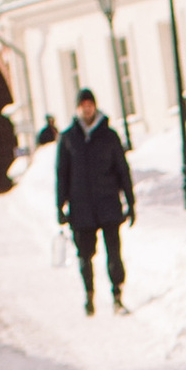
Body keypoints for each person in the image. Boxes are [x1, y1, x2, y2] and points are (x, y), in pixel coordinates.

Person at [55, 88, 132, 315]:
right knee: (85, 256)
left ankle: (117, 296)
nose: (87, 109)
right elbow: (62, 174)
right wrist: (60, 206)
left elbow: (122, 170)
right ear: (77, 109)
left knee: (114, 253)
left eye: (90, 105)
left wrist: (130, 201)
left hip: (108, 203)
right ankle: (89, 296)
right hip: (81, 207)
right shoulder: (68, 138)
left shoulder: (109, 136)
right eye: (83, 106)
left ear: (95, 107)